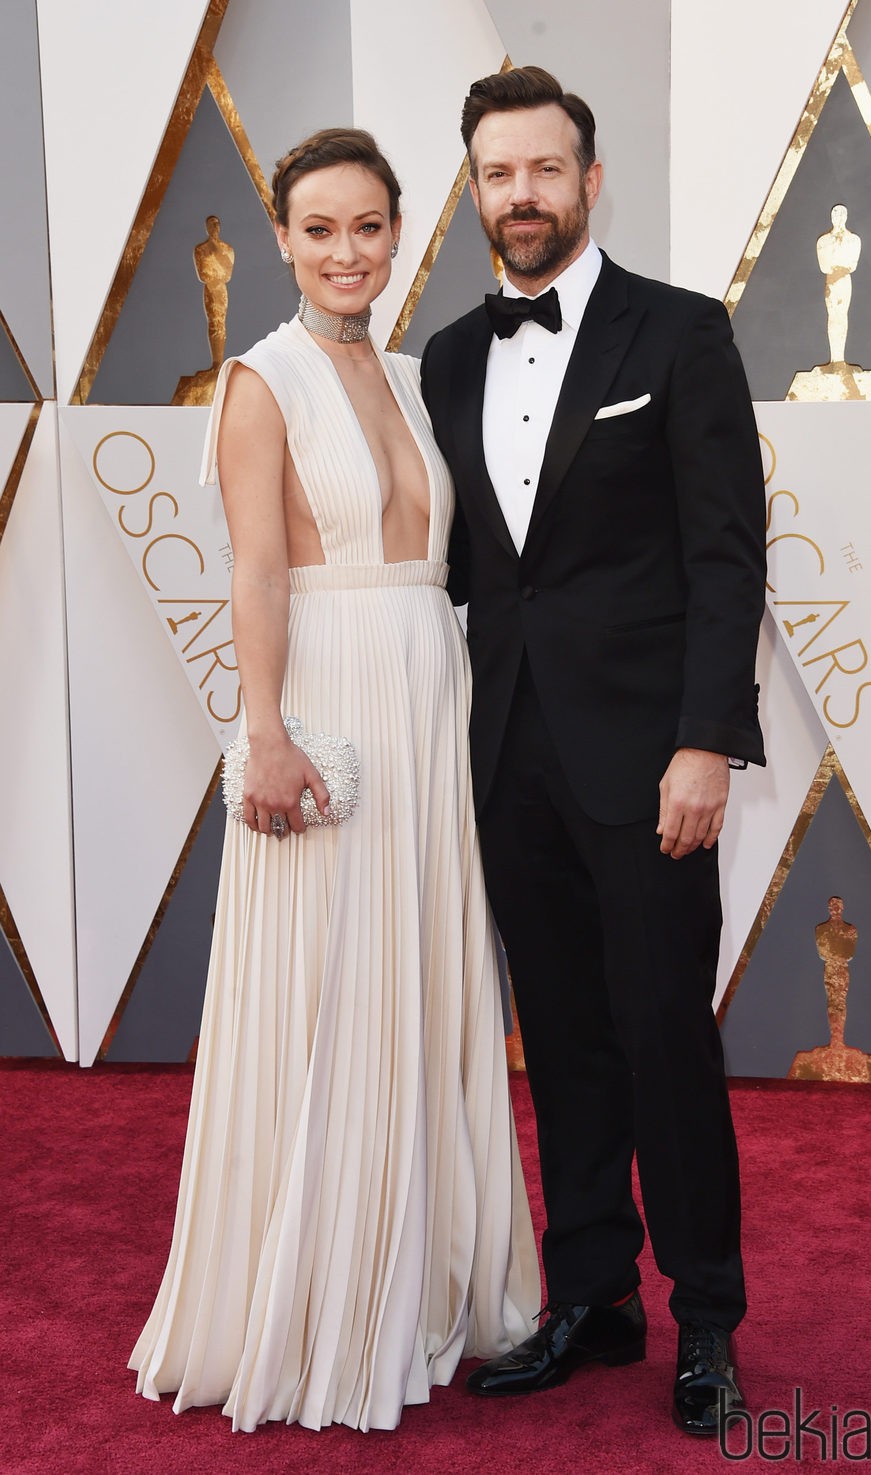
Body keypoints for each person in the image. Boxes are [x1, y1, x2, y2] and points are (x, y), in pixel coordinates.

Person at [129, 128, 539, 1434]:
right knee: (332, 993)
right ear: (282, 238)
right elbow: (254, 571)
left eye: (369, 228)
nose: (347, 252)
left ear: (398, 233)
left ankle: (423, 1282)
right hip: (330, 702)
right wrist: (263, 733)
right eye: (320, 230)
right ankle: (320, 1309)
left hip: (434, 688)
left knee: (423, 978)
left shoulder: (423, 380)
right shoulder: (262, 380)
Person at [420, 67, 767, 1436]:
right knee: (559, 1038)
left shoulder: (681, 336)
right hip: (504, 757)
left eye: (544, 171)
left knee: (665, 1036)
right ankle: (591, 1294)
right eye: (498, 175)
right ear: (476, 191)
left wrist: (706, 746)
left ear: (589, 178)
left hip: (647, 762)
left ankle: (708, 1321)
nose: (522, 196)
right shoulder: (447, 356)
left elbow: (727, 557)